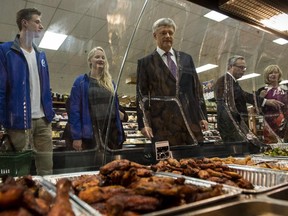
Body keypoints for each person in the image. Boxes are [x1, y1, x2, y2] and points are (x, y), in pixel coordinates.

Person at [136, 18, 208, 147]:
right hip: (162, 124)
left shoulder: (186, 59)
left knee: (195, 161)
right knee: (167, 163)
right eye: (163, 33)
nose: (168, 36)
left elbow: (196, 89)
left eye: (170, 33)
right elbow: (142, 96)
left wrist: (202, 115)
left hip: (190, 121)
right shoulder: (145, 63)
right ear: (155, 35)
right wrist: (144, 123)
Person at [0, 8, 54, 175]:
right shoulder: (6, 51)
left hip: (44, 121)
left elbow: (46, 87)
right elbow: (1, 90)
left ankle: (47, 198)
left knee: (46, 168)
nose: (41, 26)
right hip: (18, 122)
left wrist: (50, 113)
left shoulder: (41, 55)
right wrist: (2, 124)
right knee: (20, 171)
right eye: (37, 22)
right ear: (24, 23)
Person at [69, 46, 128, 151]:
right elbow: (74, 110)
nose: (101, 59)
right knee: (93, 165)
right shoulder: (80, 82)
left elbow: (115, 106)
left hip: (112, 133)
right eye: (97, 57)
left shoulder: (111, 83)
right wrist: (76, 136)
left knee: (113, 165)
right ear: (90, 61)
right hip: (91, 133)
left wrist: (123, 116)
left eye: (103, 57)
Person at [214, 55, 284, 143]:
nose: (243, 70)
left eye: (244, 68)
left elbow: (242, 95)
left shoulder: (231, 81)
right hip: (231, 125)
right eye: (241, 67)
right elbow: (240, 97)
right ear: (230, 66)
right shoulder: (225, 81)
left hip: (234, 125)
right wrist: (264, 101)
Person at [256, 65, 288, 143]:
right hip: (268, 122)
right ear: (267, 76)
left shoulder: (286, 89)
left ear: (279, 75)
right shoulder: (261, 90)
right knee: (272, 143)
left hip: (285, 121)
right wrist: (261, 98)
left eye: (275, 72)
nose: (273, 74)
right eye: (270, 73)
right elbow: (257, 110)